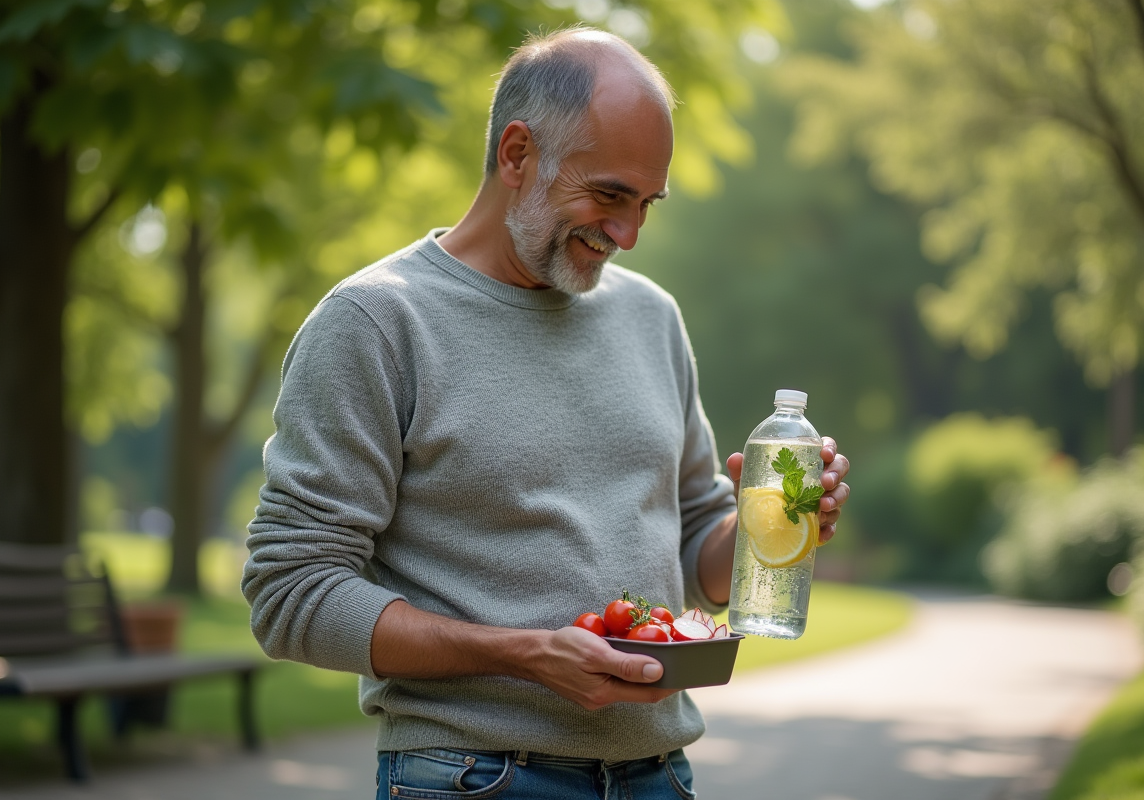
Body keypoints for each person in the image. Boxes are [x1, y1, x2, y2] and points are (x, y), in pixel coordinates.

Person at [243, 27, 851, 800]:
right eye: (608, 195)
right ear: (517, 154)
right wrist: (522, 652)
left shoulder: (652, 318)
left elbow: (698, 545)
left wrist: (771, 525)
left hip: (661, 775)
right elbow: (291, 592)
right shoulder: (375, 325)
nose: (628, 234)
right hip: (474, 777)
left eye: (646, 204)